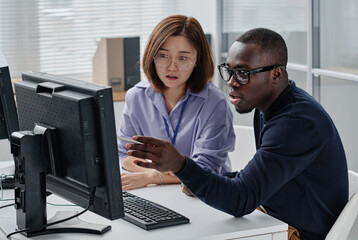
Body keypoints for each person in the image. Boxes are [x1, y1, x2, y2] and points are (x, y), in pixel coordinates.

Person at [125, 28, 349, 240]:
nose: (231, 82)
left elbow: (240, 201)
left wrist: (181, 165)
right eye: (229, 71)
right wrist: (206, 180)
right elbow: (259, 177)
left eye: (242, 73)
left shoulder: (295, 122)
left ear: (276, 74)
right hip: (273, 218)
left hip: (297, 232)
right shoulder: (268, 107)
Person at [117, 15, 235, 192]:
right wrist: (168, 174)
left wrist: (151, 176)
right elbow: (124, 155)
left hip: (205, 197)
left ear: (197, 60)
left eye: (182, 58)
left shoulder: (214, 103)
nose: (171, 67)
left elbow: (204, 171)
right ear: (152, 56)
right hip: (155, 194)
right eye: (163, 55)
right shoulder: (137, 97)